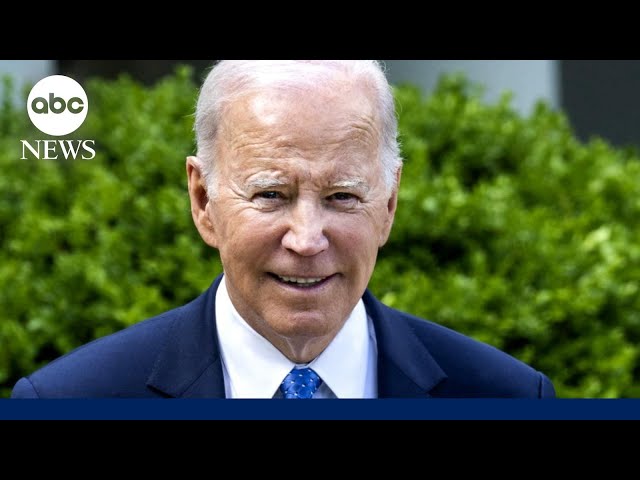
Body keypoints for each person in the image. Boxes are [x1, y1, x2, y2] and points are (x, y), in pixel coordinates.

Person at [11, 60, 556, 399]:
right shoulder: (71, 399)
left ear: (388, 204)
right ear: (203, 201)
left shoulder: (507, 396)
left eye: (342, 197)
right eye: (271, 195)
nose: (307, 239)